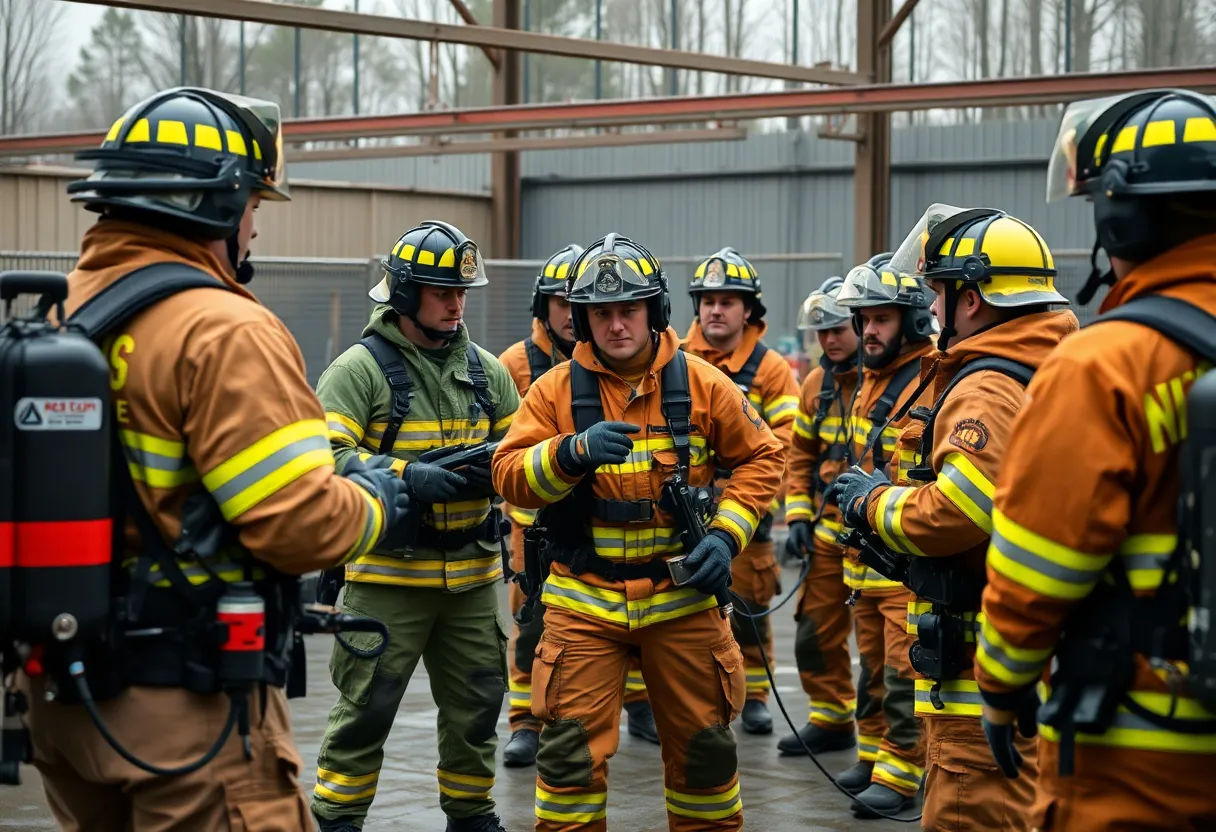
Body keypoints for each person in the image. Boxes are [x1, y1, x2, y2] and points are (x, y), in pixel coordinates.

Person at [19, 86, 410, 832]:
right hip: (187, 715)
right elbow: (299, 528)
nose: (255, 227)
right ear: (221, 204)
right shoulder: (224, 330)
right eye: (254, 205)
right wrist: (376, 503)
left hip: (64, 707)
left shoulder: (59, 313)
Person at [975, 89, 1216, 831]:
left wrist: (1001, 687)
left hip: (1146, 757)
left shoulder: (1106, 364)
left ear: (1123, 215)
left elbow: (1039, 565)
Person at [492, 232, 784, 831]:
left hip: (682, 601)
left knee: (705, 758)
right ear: (581, 319)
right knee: (568, 761)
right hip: (583, 602)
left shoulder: (703, 384)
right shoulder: (552, 391)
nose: (617, 325)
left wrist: (724, 536)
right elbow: (509, 475)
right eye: (601, 313)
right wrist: (569, 454)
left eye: (629, 309)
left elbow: (764, 458)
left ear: (655, 311)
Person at [828, 206, 1078, 830]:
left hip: (978, 659)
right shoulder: (1058, 364)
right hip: (1038, 642)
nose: (931, 312)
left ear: (971, 298)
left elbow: (957, 512)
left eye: (937, 294)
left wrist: (870, 501)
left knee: (969, 811)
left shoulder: (986, 386)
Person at [310, 221, 520, 832]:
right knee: (365, 709)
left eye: (463, 292)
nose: (457, 303)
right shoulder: (357, 371)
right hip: (386, 579)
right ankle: (339, 818)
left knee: (478, 707)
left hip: (474, 580)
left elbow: (522, 453)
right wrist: (404, 475)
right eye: (441, 291)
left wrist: (503, 473)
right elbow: (325, 460)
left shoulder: (488, 373)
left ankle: (472, 814)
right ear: (403, 294)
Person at [497, 244, 658, 768]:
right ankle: (524, 720)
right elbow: (506, 456)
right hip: (534, 528)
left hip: (611, 532)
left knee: (628, 615)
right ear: (545, 308)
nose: (572, 315)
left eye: (577, 305)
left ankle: (636, 703)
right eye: (562, 304)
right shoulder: (519, 366)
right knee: (534, 625)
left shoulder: (630, 362)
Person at [826, 257, 936, 817]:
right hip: (867, 561)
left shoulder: (929, 375)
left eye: (882, 319)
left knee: (902, 671)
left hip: (902, 561)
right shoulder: (870, 378)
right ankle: (873, 756)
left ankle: (900, 774)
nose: (867, 330)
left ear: (914, 322)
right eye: (863, 319)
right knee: (872, 667)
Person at [680, 246, 800, 735]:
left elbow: (783, 446)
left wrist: (733, 493)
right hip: (682, 515)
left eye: (727, 301)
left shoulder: (770, 370)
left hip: (746, 519)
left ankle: (753, 697)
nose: (715, 309)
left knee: (748, 606)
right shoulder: (676, 360)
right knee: (684, 615)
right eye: (707, 300)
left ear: (748, 309)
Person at [779, 277, 864, 757]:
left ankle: (896, 754)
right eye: (821, 333)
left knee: (885, 655)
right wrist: (796, 520)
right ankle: (831, 720)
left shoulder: (894, 378)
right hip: (828, 534)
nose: (828, 340)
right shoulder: (817, 383)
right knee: (814, 633)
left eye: (837, 329)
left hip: (883, 540)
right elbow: (800, 458)